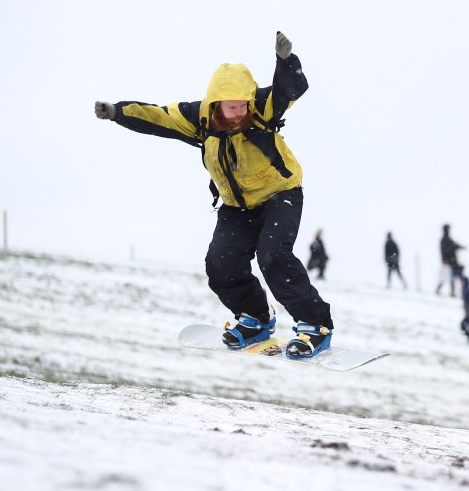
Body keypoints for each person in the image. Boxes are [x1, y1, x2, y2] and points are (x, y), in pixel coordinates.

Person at [93, 32, 334, 358]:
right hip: (237, 206)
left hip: (280, 194)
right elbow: (159, 116)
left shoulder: (261, 108)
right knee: (220, 264)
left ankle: (314, 325)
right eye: (230, 107)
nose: (237, 112)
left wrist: (286, 61)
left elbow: (289, 89)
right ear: (215, 103)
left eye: (241, 106)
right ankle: (256, 318)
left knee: (273, 256)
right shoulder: (201, 119)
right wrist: (117, 112)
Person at [435, 224, 464, 297]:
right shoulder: (445, 239)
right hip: (449, 261)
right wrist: (444, 260)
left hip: (452, 260)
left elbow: (454, 247)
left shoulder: (448, 239)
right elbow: (444, 250)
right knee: (447, 276)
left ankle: (451, 290)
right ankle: (448, 290)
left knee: (450, 276)